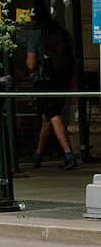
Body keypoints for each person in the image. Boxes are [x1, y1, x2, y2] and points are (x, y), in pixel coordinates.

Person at [26, 11, 79, 170]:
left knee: (54, 115)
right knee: (47, 118)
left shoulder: (35, 35)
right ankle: (37, 155)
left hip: (45, 81)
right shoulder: (62, 32)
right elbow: (73, 59)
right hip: (62, 80)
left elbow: (31, 64)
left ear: (34, 22)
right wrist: (72, 86)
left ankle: (69, 155)